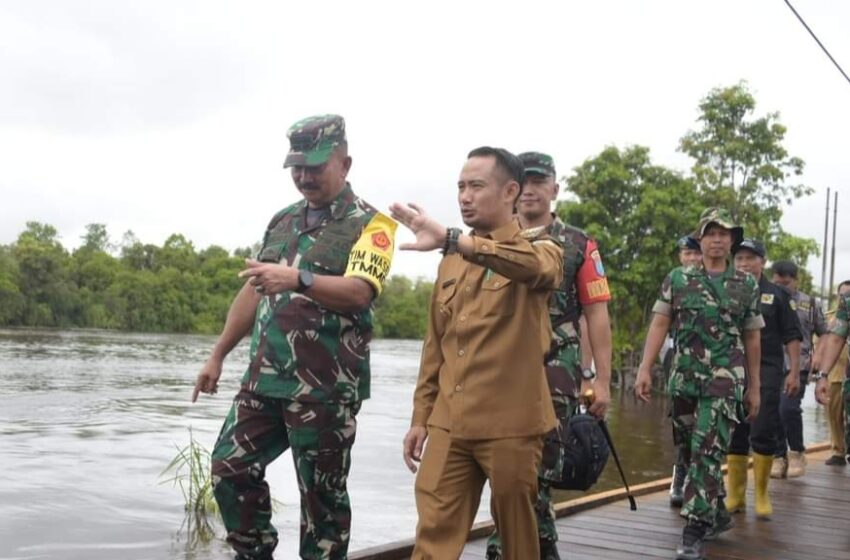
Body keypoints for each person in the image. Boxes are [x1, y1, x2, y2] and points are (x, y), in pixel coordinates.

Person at [192, 114, 397, 560]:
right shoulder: (282, 221)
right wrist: (217, 355)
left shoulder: (374, 227)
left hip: (324, 389)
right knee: (229, 468)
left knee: (321, 501)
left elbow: (360, 293)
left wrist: (298, 279)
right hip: (264, 380)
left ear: (345, 163)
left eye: (315, 166)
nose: (304, 176)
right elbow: (253, 288)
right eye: (297, 167)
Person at [391, 147, 563, 560]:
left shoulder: (542, 248)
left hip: (512, 425)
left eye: (476, 186)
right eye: (460, 187)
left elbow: (534, 270)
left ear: (510, 192)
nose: (464, 196)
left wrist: (457, 240)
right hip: (451, 422)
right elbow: (436, 347)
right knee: (432, 536)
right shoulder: (451, 261)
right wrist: (421, 417)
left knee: (518, 542)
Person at [484, 151, 613, 560]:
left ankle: (508, 546)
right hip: (499, 369)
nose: (531, 190)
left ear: (554, 189)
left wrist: (600, 379)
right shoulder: (492, 238)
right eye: (525, 182)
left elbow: (597, 313)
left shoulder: (577, 244)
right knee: (500, 459)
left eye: (540, 182)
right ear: (511, 189)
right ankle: (537, 544)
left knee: (539, 460)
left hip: (555, 370)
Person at [635, 208, 763, 560]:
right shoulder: (678, 278)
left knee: (708, 451)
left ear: (732, 241)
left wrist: (754, 388)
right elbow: (660, 324)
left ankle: (692, 532)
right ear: (701, 239)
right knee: (691, 450)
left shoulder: (746, 284)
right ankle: (716, 512)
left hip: (725, 380)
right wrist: (644, 368)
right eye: (711, 233)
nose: (718, 239)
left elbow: (752, 338)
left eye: (724, 234)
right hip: (684, 379)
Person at [725, 240, 802, 522]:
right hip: (733, 368)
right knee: (735, 429)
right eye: (740, 258)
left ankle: (760, 493)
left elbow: (792, 335)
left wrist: (794, 371)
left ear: (763, 261)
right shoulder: (726, 289)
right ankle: (734, 495)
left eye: (751, 258)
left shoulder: (777, 295)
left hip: (768, 369)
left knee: (763, 427)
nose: (745, 263)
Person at [770, 260, 827, 478]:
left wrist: (819, 356)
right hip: (772, 363)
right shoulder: (767, 299)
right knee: (772, 411)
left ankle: (796, 452)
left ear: (796, 280)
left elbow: (825, 333)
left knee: (788, 409)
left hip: (799, 365)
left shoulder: (809, 303)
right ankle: (778, 455)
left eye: (786, 283)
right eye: (778, 282)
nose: (782, 287)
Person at [667, 235, 703, 507]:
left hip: (714, 373)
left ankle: (699, 484)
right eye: (686, 253)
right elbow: (660, 322)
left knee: (706, 431)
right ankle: (679, 474)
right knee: (682, 429)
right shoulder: (674, 280)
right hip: (681, 369)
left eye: (695, 253)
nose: (691, 258)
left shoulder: (717, 282)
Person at [814, 280, 850, 462]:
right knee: (836, 416)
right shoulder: (836, 315)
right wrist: (822, 374)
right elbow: (832, 340)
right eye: (842, 294)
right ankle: (838, 450)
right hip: (838, 373)